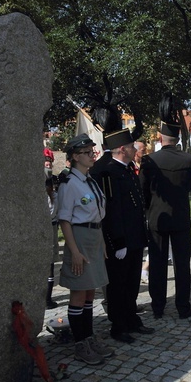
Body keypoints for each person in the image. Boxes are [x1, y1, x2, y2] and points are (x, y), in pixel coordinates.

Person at [56, 133, 114, 365]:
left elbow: (97, 215)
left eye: (93, 152)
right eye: (88, 153)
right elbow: (65, 220)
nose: (93, 156)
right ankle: (80, 344)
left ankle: (89, 338)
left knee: (90, 291)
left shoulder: (89, 180)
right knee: (79, 293)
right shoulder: (69, 184)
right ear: (75, 157)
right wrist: (75, 252)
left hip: (93, 237)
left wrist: (100, 244)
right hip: (78, 239)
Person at [140, 94, 191, 319]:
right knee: (182, 265)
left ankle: (158, 307)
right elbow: (189, 186)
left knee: (157, 264)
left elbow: (143, 190)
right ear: (177, 137)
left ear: (161, 137)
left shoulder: (149, 161)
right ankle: (183, 307)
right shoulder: (190, 161)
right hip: (181, 217)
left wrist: (148, 209)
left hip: (157, 218)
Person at [94, 128, 154, 344]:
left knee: (131, 283)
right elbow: (112, 210)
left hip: (134, 236)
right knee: (118, 284)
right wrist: (118, 241)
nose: (134, 149)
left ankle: (131, 318)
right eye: (130, 146)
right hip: (121, 239)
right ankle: (118, 325)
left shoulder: (126, 168)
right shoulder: (108, 172)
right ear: (122, 149)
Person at [46, 176, 60, 309]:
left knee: (49, 263)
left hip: (50, 226)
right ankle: (47, 299)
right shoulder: (52, 196)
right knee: (49, 264)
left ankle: (48, 298)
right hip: (50, 226)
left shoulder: (52, 196)